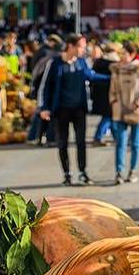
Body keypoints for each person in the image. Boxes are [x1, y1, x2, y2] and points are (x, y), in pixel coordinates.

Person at [38, 35, 111, 186]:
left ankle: (83, 172)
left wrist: (112, 77)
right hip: (61, 110)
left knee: (81, 142)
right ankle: (67, 174)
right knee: (62, 143)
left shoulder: (81, 62)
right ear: (70, 46)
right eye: (81, 47)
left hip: (79, 109)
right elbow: (45, 86)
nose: (84, 50)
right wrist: (43, 108)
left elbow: (91, 76)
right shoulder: (55, 63)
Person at [108, 41, 139, 184]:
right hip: (119, 112)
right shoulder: (115, 70)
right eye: (121, 53)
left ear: (132, 55)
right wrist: (114, 102)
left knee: (135, 144)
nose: (122, 56)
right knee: (121, 143)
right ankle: (118, 173)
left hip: (137, 112)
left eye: (124, 53)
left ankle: (133, 171)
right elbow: (112, 91)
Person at [90, 43, 118, 146]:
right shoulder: (113, 64)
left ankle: (117, 137)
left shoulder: (98, 62)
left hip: (99, 94)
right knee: (108, 116)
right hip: (109, 94)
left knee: (110, 116)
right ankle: (97, 137)